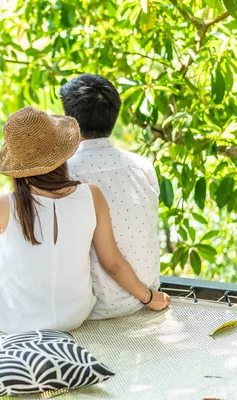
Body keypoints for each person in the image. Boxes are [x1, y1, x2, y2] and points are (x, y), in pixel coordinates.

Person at [0, 106, 169, 334]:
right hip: (74, 314)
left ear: (16, 167)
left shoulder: (0, 205)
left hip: (16, 320)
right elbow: (113, 263)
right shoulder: (92, 195)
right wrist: (149, 297)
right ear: (63, 155)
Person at [62, 74, 161, 320]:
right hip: (146, 296)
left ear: (70, 121)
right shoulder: (142, 166)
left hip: (95, 308)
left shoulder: (64, 173)